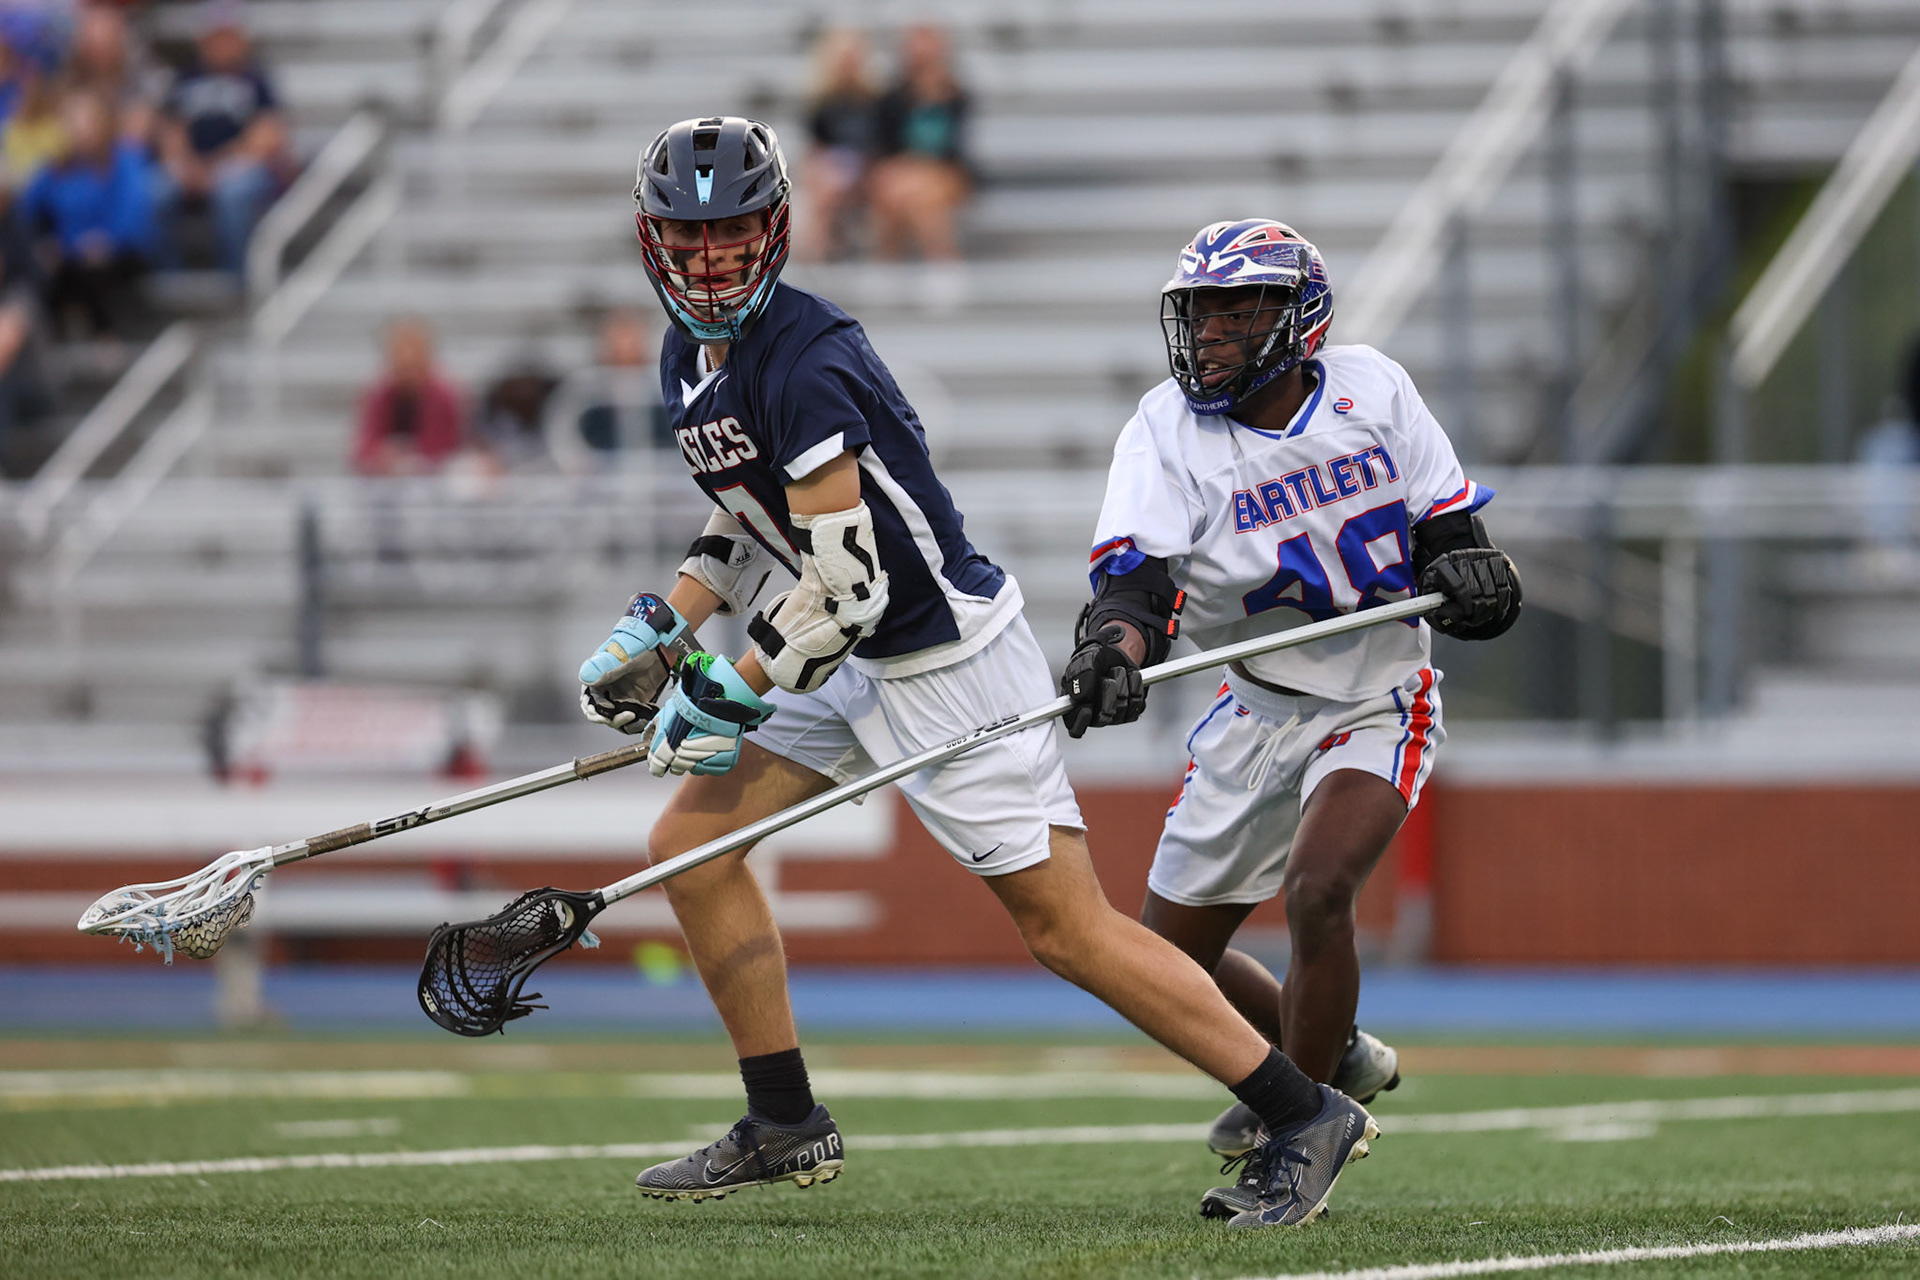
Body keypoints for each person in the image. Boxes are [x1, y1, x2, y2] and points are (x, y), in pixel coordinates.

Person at [576, 118, 1376, 1229]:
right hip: (847, 643)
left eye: (733, 234)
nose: (710, 259)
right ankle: (783, 1117)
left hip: (937, 652)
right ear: (651, 239)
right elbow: (750, 513)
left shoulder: (804, 358)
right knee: (691, 843)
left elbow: (848, 587)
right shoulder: (685, 354)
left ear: (776, 230)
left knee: (1068, 931)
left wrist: (731, 681)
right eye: (688, 237)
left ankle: (1303, 1111)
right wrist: (668, 618)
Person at [1059, 219, 1522, 1220]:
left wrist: (1475, 576)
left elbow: (1450, 534)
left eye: (1238, 310)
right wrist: (1112, 655)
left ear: (1298, 319)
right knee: (1163, 954)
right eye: (1201, 312)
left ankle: (1296, 1139)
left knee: (1319, 892)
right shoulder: (1164, 428)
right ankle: (1336, 1052)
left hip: (1375, 690)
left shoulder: (1372, 389)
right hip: (1256, 706)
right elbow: (1136, 591)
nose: (1213, 332)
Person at [154, 3, 287, 274]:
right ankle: (168, 277)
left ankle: (238, 276)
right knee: (154, 191)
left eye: (227, 36)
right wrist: (187, 166)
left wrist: (216, 167)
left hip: (239, 164)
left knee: (233, 191)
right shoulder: (184, 78)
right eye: (215, 36)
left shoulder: (255, 79)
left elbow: (267, 134)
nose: (221, 44)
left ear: (240, 40)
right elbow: (170, 129)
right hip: (192, 166)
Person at [18, 89, 158, 339]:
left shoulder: (124, 161)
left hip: (119, 256)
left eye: (84, 121)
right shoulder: (53, 168)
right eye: (70, 121)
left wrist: (106, 241)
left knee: (93, 266)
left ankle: (107, 336)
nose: (78, 129)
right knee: (42, 271)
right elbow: (27, 213)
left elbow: (133, 218)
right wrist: (47, 245)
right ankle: (50, 342)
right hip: (68, 258)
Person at [867, 24, 970, 296]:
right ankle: (936, 267)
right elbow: (885, 147)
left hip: (946, 174)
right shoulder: (893, 97)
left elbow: (955, 150)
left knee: (918, 191)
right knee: (902, 191)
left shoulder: (957, 96)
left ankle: (926, 262)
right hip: (902, 174)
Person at [543, 308, 666, 472]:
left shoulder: (662, 383)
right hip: (599, 481)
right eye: (619, 335)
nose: (625, 344)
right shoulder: (584, 386)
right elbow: (562, 434)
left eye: (631, 335)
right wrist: (578, 465)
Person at [796, 28, 876, 262]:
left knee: (829, 186)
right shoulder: (821, 102)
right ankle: (818, 253)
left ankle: (820, 254)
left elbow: (880, 144)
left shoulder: (873, 101)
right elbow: (816, 146)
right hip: (834, 167)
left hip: (866, 167)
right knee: (823, 186)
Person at [350, 316, 465, 476]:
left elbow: (445, 446)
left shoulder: (444, 395)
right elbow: (365, 446)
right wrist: (384, 456)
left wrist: (409, 458)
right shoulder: (379, 393)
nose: (407, 361)